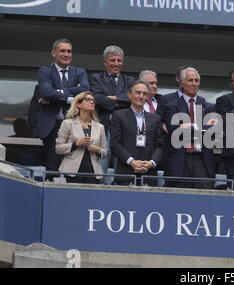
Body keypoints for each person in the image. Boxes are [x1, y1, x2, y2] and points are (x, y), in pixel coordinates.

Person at [37, 38, 90, 174]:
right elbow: (47, 92)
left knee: (73, 168)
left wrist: (59, 93)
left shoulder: (80, 72)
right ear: (54, 53)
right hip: (53, 126)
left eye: (69, 51)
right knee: (53, 168)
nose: (66, 54)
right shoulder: (45, 71)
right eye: (62, 51)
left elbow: (85, 89)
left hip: (75, 125)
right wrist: (73, 98)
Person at [164, 67, 216, 189]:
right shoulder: (172, 106)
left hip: (202, 160)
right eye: (190, 80)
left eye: (196, 80)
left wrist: (190, 126)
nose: (194, 83)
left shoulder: (208, 107)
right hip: (180, 160)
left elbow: (213, 132)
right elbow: (175, 132)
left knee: (204, 201)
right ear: (182, 83)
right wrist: (202, 128)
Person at [89, 45, 135, 179]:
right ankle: (100, 186)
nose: (116, 64)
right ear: (105, 62)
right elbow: (96, 98)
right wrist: (119, 100)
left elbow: (131, 98)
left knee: (122, 160)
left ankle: (120, 187)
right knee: (102, 160)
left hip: (123, 127)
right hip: (103, 126)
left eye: (119, 60)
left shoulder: (130, 80)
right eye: (112, 60)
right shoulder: (95, 78)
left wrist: (109, 98)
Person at [110, 81, 164, 186]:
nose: (141, 96)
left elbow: (160, 145)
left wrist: (151, 163)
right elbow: (115, 144)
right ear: (130, 95)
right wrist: (132, 162)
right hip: (126, 172)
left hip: (148, 173)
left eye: (144, 94)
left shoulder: (156, 118)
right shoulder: (119, 115)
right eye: (138, 93)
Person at [55, 92, 107, 184]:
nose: (91, 102)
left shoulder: (100, 127)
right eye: (87, 100)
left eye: (93, 101)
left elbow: (105, 152)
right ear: (78, 104)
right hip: (71, 172)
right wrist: (76, 144)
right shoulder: (67, 123)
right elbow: (58, 148)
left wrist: (97, 150)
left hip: (93, 172)